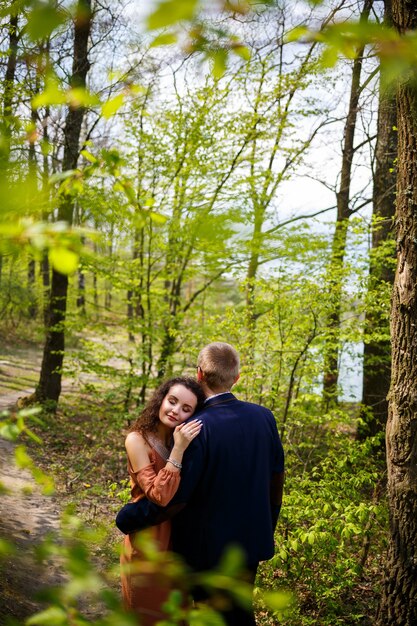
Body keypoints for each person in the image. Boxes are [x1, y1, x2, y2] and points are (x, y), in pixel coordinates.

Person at [117, 342, 285, 626]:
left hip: (207, 551)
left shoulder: (196, 426)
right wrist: (268, 525)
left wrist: (131, 516)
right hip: (252, 540)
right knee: (239, 612)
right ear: (237, 378)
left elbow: (179, 498)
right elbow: (276, 480)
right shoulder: (264, 417)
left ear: (198, 374)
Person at [120, 376, 205, 626]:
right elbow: (159, 496)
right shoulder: (137, 440)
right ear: (161, 399)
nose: (175, 411)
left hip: (178, 543)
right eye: (172, 401)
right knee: (145, 615)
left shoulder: (181, 440)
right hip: (148, 539)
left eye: (186, 409)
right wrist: (178, 450)